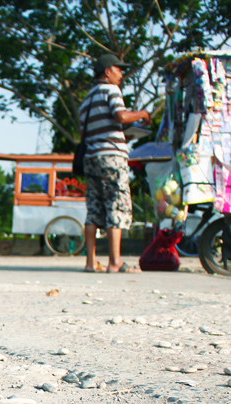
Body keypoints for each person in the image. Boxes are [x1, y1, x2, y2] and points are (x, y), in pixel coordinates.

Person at [81, 54, 151, 273]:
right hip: (112, 157)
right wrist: (143, 114)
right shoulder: (111, 91)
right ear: (107, 71)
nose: (121, 74)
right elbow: (120, 116)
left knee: (93, 207)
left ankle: (91, 262)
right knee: (116, 203)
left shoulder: (86, 100)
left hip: (91, 157)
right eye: (118, 70)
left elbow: (88, 131)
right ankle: (115, 262)